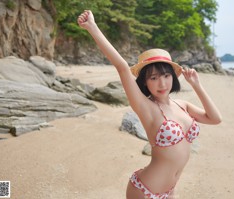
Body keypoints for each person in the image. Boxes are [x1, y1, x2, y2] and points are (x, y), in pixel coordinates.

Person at [78, 10, 222, 199]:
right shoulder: (146, 107)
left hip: (170, 190)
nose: (162, 83)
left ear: (173, 77)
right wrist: (92, 27)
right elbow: (122, 66)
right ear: (145, 82)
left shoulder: (183, 106)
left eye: (166, 75)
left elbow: (215, 119)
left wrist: (197, 85)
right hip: (145, 190)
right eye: (153, 78)